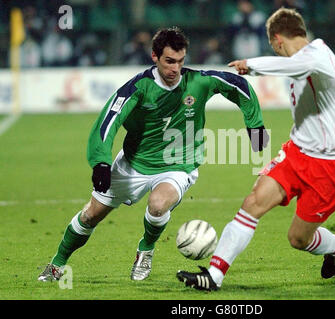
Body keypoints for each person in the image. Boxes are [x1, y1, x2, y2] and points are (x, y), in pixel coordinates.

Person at [38, 27, 269, 282]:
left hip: (178, 164)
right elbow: (107, 122)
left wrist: (255, 126)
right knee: (90, 215)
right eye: (169, 61)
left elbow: (239, 85)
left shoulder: (198, 81)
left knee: (158, 205)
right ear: (155, 57)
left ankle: (145, 250)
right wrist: (100, 163)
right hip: (133, 164)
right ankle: (57, 264)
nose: (175, 69)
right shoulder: (137, 88)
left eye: (181, 62)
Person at [177, 8, 335, 291]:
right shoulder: (306, 60)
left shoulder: (318, 56)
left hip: (331, 166)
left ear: (277, 40)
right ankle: (214, 276)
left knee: (299, 239)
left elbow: (293, 66)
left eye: (274, 47)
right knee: (252, 203)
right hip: (297, 153)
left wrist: (252, 64)